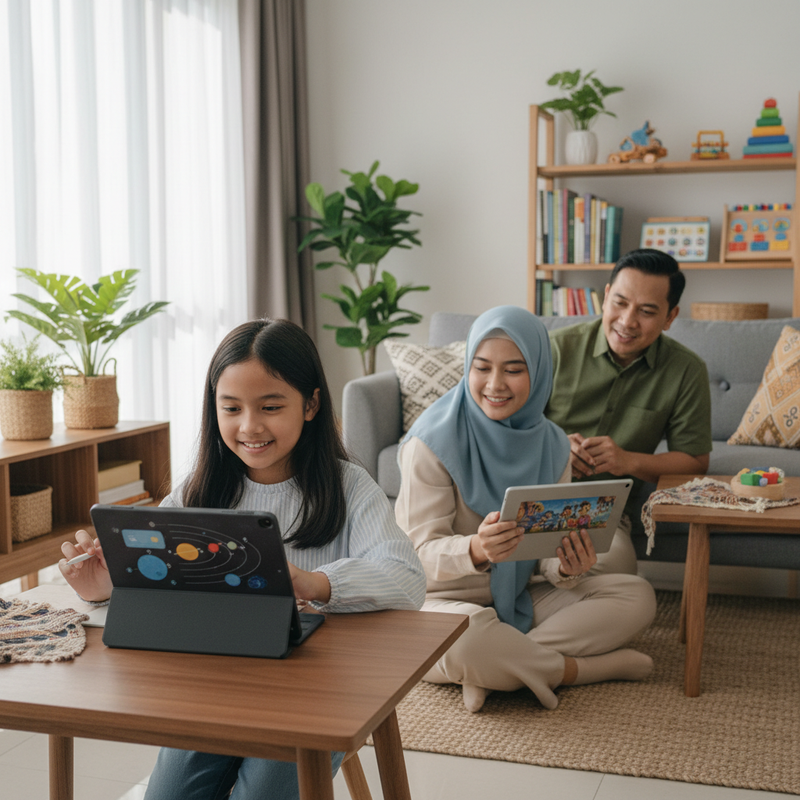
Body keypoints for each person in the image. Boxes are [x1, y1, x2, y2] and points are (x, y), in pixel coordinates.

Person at [58, 318, 426, 800]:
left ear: (311, 404)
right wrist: (104, 587)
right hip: (215, 685)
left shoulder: (349, 486)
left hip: (318, 690)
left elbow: (407, 577)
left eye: (270, 407)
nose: (250, 426)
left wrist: (313, 582)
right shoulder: (198, 491)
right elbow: (160, 587)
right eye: (231, 408)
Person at [395, 305, 657, 713]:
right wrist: (476, 549)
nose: (494, 384)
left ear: (538, 372)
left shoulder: (553, 445)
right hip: (438, 601)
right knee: (468, 639)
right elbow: (415, 558)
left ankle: (494, 669)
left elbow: (542, 554)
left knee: (637, 596)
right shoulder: (429, 444)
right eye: (481, 368)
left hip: (517, 597)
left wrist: (566, 566)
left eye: (514, 370)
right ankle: (578, 669)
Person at [546, 248, 712, 575]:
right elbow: (500, 429)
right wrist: (554, 446)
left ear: (670, 317)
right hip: (532, 496)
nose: (627, 321)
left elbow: (694, 462)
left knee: (612, 573)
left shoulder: (686, 370)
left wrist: (626, 460)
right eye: (620, 303)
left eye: (646, 311)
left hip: (603, 513)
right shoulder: (554, 349)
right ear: (606, 296)